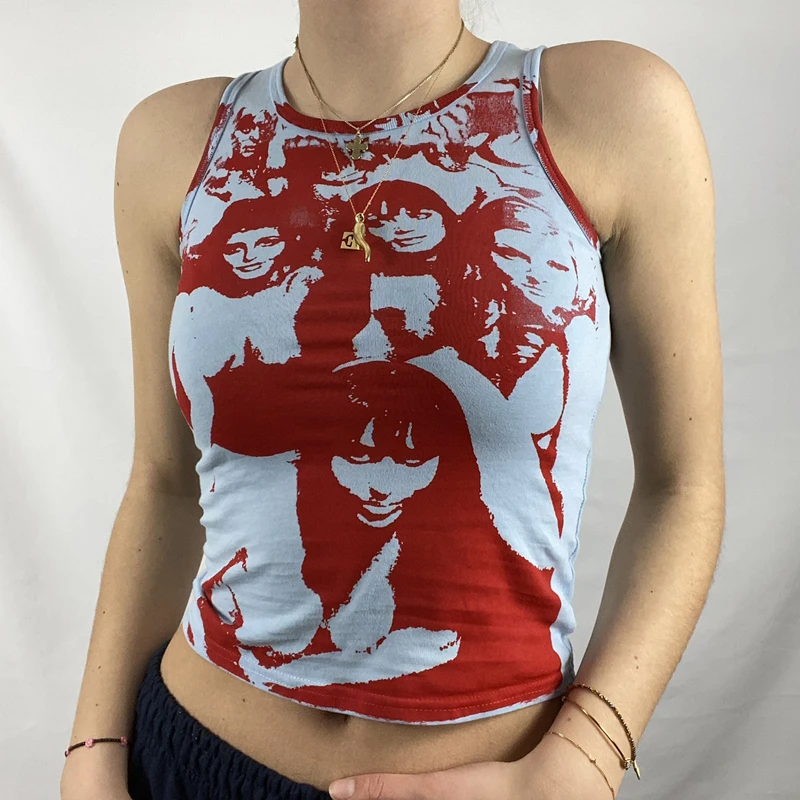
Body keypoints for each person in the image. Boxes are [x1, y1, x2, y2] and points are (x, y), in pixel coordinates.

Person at [60, 1, 725, 799]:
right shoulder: (173, 140)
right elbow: (164, 486)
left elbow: (684, 486)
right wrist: (92, 749)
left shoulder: (609, 108)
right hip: (191, 757)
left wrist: (584, 759)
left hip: (503, 779)